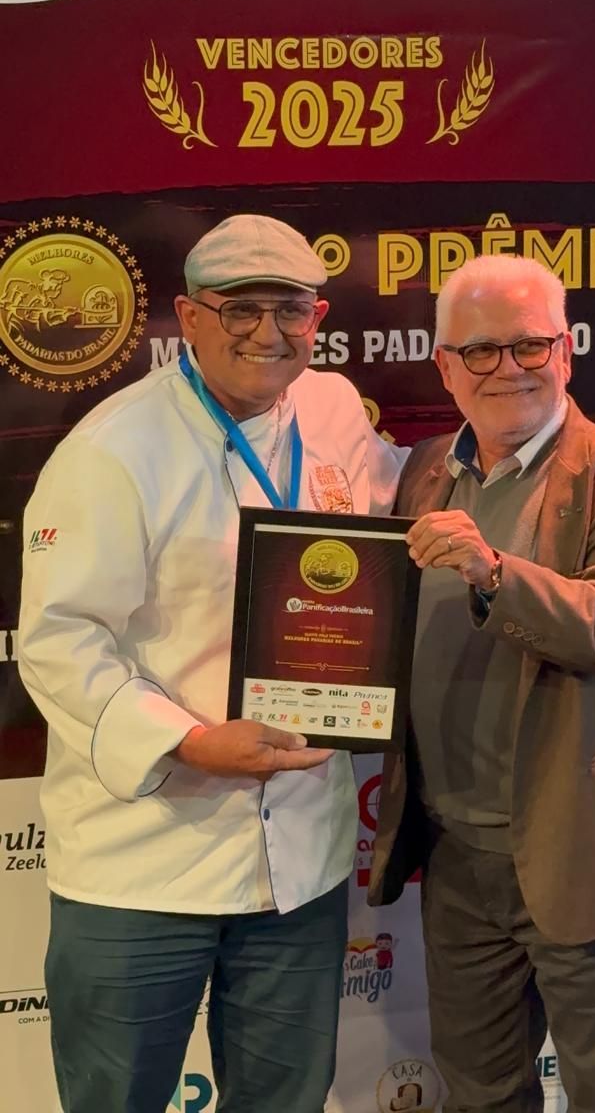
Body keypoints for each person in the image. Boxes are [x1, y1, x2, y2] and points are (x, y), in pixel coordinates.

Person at [19, 213, 408, 1113]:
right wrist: (190, 741)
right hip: (144, 865)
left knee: (282, 1102)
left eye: (293, 310)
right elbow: (58, 640)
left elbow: (400, 509)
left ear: (318, 319)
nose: (269, 334)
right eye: (241, 309)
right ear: (188, 320)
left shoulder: (332, 409)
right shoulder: (113, 451)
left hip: (299, 864)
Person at [369, 254, 595, 1113]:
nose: (507, 368)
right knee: (479, 1093)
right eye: (479, 352)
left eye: (529, 345)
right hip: (458, 858)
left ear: (567, 350)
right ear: (444, 367)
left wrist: (491, 570)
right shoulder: (424, 469)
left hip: (582, 850)